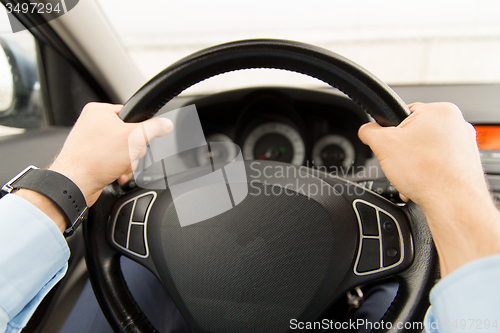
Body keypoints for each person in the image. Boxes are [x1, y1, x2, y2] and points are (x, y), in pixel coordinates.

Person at [0, 101, 499, 332]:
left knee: (133, 270)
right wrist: (453, 194)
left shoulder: (185, 182)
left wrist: (71, 176)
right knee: (393, 291)